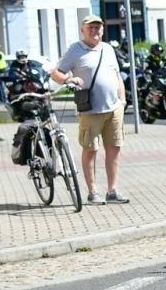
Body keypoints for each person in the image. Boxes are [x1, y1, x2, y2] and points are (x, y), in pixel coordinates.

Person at [51, 15, 129, 205]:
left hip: (114, 108)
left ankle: (113, 190)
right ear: (83, 30)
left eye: (98, 27)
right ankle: (93, 191)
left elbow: (116, 75)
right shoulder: (75, 50)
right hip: (90, 111)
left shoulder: (108, 49)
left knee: (114, 148)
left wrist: (123, 100)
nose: (95, 31)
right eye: (91, 28)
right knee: (90, 150)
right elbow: (55, 72)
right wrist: (68, 80)